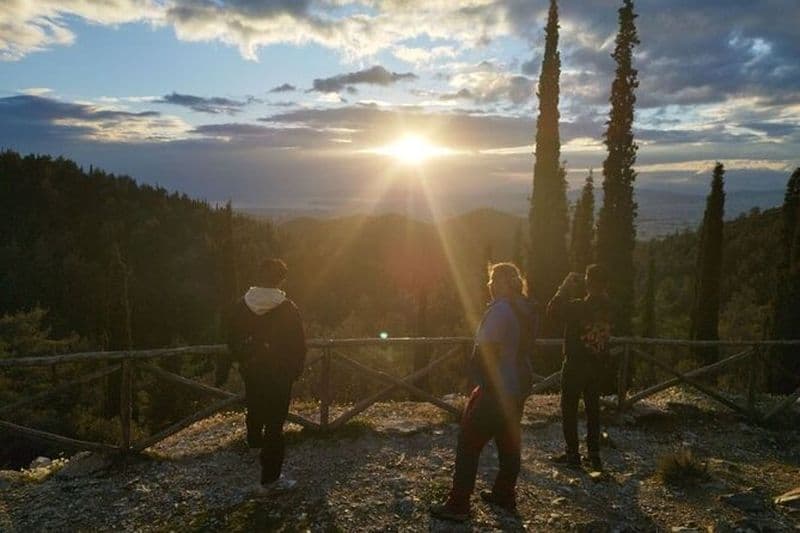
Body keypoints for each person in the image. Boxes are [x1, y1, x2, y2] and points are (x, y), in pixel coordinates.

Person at [431, 262, 537, 522]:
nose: (488, 286)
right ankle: (504, 494)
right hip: (521, 383)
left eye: (491, 280)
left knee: (468, 442)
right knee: (508, 441)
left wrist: (480, 382)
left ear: (501, 282)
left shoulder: (500, 310)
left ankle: (458, 505)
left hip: (498, 387)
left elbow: (485, 351)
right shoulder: (528, 308)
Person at [216, 258, 306, 493]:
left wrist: (243, 360)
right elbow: (298, 344)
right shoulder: (287, 307)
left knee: (255, 407)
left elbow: (231, 338)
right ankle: (270, 479)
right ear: (281, 279)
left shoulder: (241, 305)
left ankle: (254, 444)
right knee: (276, 425)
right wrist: (294, 370)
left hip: (252, 371)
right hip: (279, 374)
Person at [547, 264, 611, 471]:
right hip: (598, 365)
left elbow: (552, 310)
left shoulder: (577, 307)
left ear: (588, 283)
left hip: (575, 365)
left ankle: (573, 454)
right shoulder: (609, 308)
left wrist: (564, 287)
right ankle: (594, 454)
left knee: (569, 409)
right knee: (593, 410)